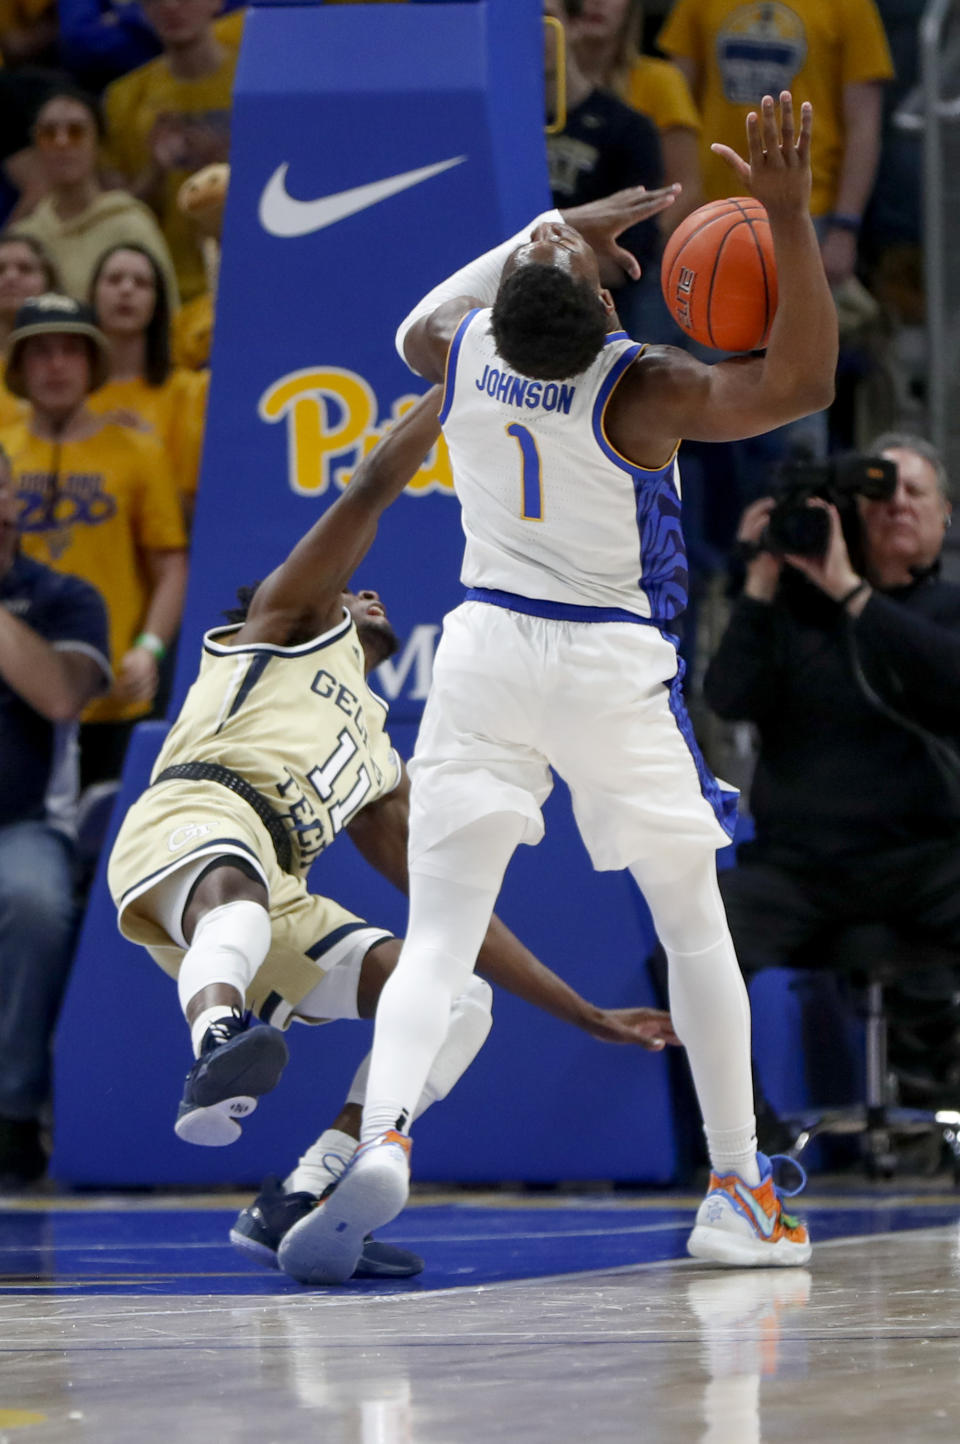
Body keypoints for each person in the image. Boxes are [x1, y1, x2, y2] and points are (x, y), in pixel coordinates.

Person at [284, 91, 838, 1285]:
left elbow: (414, 324)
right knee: (694, 925)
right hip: (607, 662)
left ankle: (380, 1136)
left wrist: (549, 224)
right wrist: (787, 221)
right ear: (600, 314)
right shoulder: (645, 389)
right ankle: (738, 1188)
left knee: (439, 932)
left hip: (486, 648)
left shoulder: (471, 353)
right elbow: (801, 380)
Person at [106, 385, 680, 1280]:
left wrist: (583, 1013)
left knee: (452, 1000)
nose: (368, 591)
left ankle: (306, 1189)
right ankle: (219, 1043)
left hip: (274, 882)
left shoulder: (377, 759)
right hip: (193, 819)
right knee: (244, 904)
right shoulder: (281, 629)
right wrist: (459, 388)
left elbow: (455, 911)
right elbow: (370, 488)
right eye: (350, 587)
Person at [700, 435, 960, 1126]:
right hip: (799, 871)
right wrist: (758, 579)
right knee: (692, 941)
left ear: (946, 516)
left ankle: (942, 1097)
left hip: (928, 864)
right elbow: (726, 698)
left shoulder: (948, 610)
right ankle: (750, 1137)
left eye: (915, 492)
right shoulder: (788, 612)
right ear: (852, 512)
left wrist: (850, 590)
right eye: (880, 492)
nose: (897, 504)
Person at [0, 293, 188, 786]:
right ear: (19, 366)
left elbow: (171, 564)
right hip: (15, 697)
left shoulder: (138, 451)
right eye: (41, 351)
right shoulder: (5, 453)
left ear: (93, 363)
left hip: (116, 691)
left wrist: (150, 647)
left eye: (71, 350)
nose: (56, 365)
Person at [0, 442, 112, 1186]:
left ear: (11, 503)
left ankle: (11, 1114)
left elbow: (61, 696)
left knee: (32, 902)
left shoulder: (66, 597)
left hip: (23, 823)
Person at [658, 0, 894, 289]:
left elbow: (864, 125)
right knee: (707, 329)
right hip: (711, 205)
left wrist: (845, 226)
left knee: (800, 331)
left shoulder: (851, 6)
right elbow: (674, 106)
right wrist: (678, 203)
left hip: (807, 209)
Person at [102, 0, 241, 304]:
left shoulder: (254, 82)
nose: (172, 5)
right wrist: (155, 170)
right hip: (166, 288)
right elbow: (113, 219)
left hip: (247, 273)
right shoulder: (124, 98)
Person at [544, 0, 667, 339]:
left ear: (575, 24)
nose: (533, 35)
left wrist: (530, 260)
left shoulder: (629, 130)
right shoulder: (494, 127)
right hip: (503, 317)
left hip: (596, 326)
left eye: (545, 19)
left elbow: (628, 260)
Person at [11, 85, 179, 307]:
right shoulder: (25, 235)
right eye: (49, 133)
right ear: (36, 147)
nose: (62, 143)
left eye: (76, 132)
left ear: (98, 145)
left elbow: (166, 313)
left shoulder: (131, 224)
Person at [87, 242, 209, 521]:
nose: (126, 290)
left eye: (141, 283)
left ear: (158, 302)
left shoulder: (193, 391)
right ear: (92, 295)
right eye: (114, 279)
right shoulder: (67, 393)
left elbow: (201, 518)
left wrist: (148, 454)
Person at [572, 0, 704, 233]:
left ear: (631, 8)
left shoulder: (661, 81)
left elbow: (687, 188)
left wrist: (641, 248)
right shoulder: (537, 86)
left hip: (631, 252)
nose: (596, 2)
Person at [0, 229, 56, 426]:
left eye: (25, 269)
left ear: (49, 282)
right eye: (0, 270)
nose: (11, 277)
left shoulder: (71, 360)